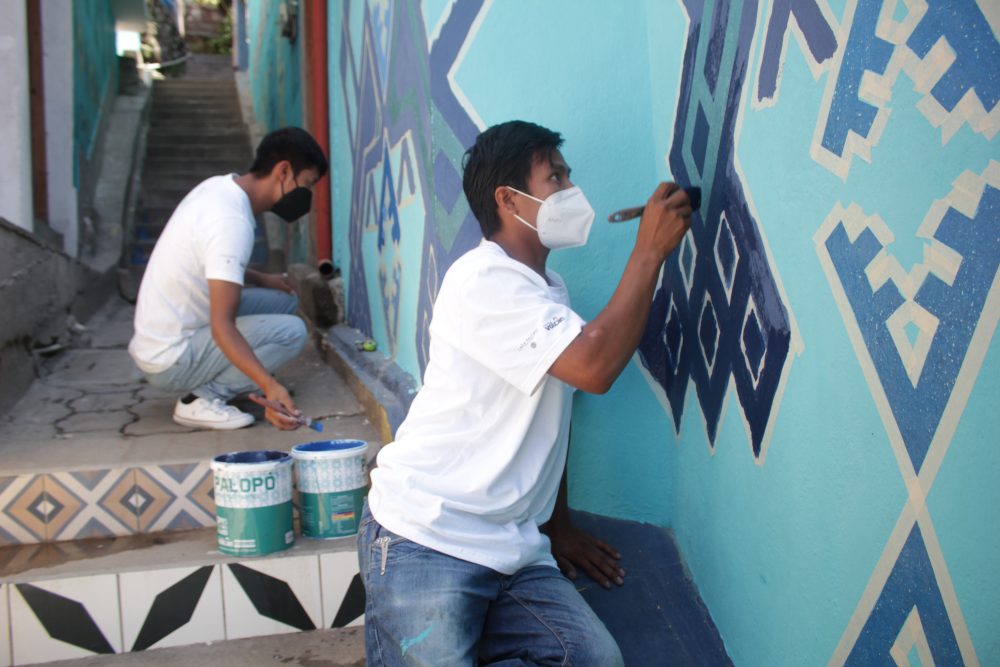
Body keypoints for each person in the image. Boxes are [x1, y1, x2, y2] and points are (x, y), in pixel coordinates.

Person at [359, 120, 693, 665]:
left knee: (593, 659)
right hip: (428, 534)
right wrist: (649, 251)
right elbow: (595, 367)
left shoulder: (548, 293)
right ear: (508, 199)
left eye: (567, 175)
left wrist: (558, 527)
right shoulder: (483, 281)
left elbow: (548, 422)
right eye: (555, 177)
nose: (571, 189)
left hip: (512, 548)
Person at [128, 126, 328, 431]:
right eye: (307, 184)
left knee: (284, 301)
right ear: (284, 171)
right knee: (291, 332)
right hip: (170, 358)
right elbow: (222, 326)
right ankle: (202, 399)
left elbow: (211, 261)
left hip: (167, 335)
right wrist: (269, 386)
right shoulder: (231, 221)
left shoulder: (220, 189)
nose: (307, 196)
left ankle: (236, 378)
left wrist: (263, 279)